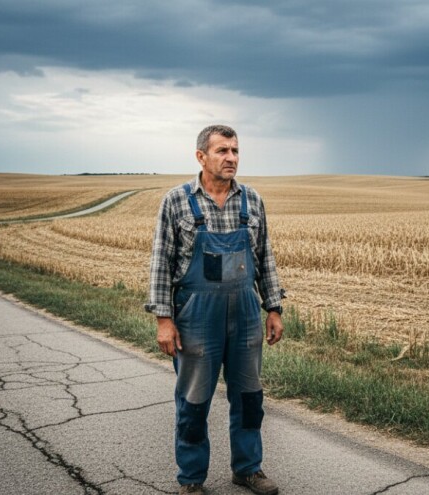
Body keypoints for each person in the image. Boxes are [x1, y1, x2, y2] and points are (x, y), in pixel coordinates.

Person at [145, 124, 285, 495]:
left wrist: (273, 308)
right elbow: (161, 262)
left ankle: (248, 469)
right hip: (195, 317)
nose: (231, 158)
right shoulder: (176, 201)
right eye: (222, 151)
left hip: (245, 314)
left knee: (249, 397)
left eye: (235, 151)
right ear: (201, 156)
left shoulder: (251, 200)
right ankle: (191, 479)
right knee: (193, 401)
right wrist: (164, 320)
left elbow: (264, 257)